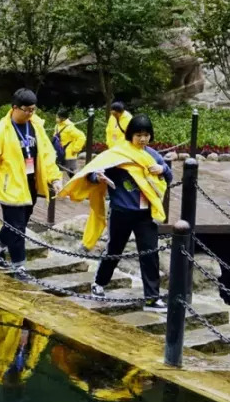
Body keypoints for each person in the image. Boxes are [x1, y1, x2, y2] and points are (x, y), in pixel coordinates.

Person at [60, 114, 173, 311]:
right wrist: (99, 178)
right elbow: (94, 172)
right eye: (139, 135)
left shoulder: (153, 156)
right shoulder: (118, 154)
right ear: (130, 135)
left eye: (146, 135)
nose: (143, 139)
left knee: (150, 254)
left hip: (145, 213)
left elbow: (169, 177)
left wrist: (161, 169)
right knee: (114, 250)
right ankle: (99, 284)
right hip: (122, 211)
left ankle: (152, 298)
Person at [0, 88, 61, 271]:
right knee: (17, 228)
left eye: (33, 110)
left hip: (30, 182)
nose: (30, 113)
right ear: (14, 108)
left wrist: (55, 177)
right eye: (26, 109)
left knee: (17, 223)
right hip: (10, 185)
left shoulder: (36, 126)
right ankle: (19, 267)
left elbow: (46, 154)